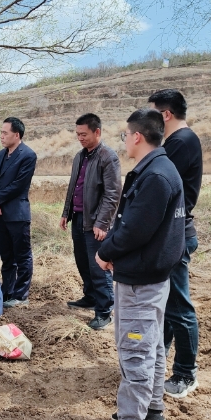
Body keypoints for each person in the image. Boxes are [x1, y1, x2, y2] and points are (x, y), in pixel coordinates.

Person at [92, 109, 185, 420]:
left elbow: (134, 229)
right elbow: (131, 221)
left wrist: (106, 253)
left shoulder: (156, 176)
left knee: (136, 355)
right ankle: (153, 410)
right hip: (149, 276)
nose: (124, 142)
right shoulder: (158, 170)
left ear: (136, 137)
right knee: (153, 345)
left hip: (141, 281)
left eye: (124, 136)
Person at [148, 89, 203, 399]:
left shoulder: (180, 142)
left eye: (152, 113)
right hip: (173, 232)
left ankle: (185, 373)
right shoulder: (179, 141)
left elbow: (163, 189)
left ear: (165, 115)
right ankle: (161, 360)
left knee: (179, 307)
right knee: (169, 305)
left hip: (176, 234)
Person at [60, 113, 121, 330]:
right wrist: (65, 212)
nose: (80, 138)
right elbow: (73, 187)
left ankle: (104, 311)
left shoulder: (108, 157)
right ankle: (90, 297)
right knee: (82, 262)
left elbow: (113, 194)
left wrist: (103, 223)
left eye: (84, 134)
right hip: (78, 219)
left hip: (96, 223)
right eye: (77, 134)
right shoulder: (79, 156)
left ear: (97, 132)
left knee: (98, 267)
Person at [0, 117, 37, 308]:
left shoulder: (28, 155)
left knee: (22, 255)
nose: (2, 136)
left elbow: (18, 185)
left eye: (5, 132)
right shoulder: (0, 155)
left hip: (17, 214)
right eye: (1, 132)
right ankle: (7, 291)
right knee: (6, 255)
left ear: (17, 135)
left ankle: (21, 294)